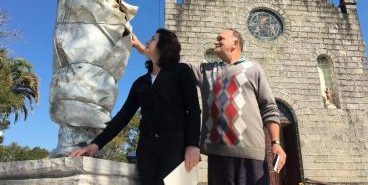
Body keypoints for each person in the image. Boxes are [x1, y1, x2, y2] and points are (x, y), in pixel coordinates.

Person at [132, 28, 287, 185]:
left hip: (252, 156)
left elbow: (269, 108)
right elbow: (169, 60)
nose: (216, 41)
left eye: (221, 38)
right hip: (217, 157)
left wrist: (276, 143)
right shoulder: (206, 71)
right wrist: (143, 49)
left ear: (235, 43)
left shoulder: (254, 69)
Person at [70, 28, 201, 185]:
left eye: (153, 39)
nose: (147, 41)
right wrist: (96, 144)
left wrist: (192, 144)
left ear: (164, 45)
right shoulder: (140, 83)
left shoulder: (181, 71)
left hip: (175, 148)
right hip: (147, 151)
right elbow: (123, 116)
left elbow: (194, 110)